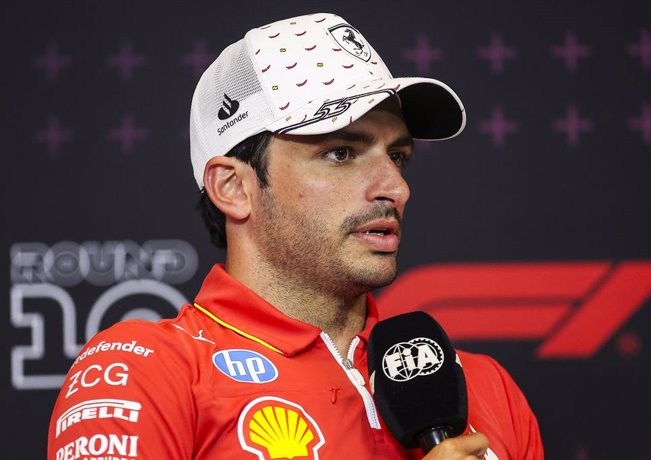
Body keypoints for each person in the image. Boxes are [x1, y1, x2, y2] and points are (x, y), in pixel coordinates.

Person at [47, 12, 544, 460]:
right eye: (341, 153)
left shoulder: (484, 386)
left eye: (398, 156)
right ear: (234, 187)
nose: (396, 188)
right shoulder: (147, 372)